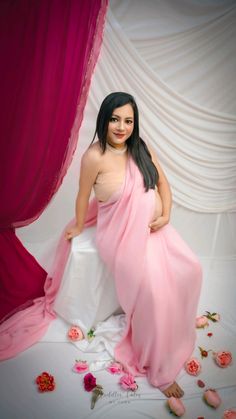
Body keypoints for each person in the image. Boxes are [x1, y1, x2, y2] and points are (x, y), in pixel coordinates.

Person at [65, 92, 202, 398]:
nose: (121, 126)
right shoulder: (94, 157)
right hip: (120, 237)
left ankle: (175, 329)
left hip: (154, 231)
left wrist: (166, 214)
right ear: (104, 119)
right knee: (152, 290)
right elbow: (82, 195)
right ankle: (160, 368)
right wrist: (77, 224)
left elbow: (164, 185)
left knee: (191, 268)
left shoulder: (140, 148)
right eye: (115, 119)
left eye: (128, 120)